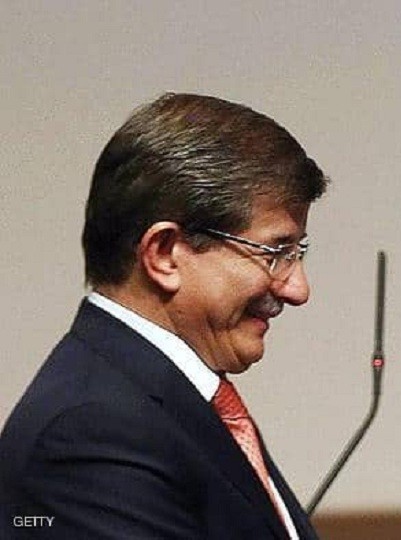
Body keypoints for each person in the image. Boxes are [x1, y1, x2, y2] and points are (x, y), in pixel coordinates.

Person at [0, 93, 328, 539]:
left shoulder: (175, 403)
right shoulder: (93, 431)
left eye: (297, 253)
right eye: (275, 253)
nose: (298, 289)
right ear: (164, 254)